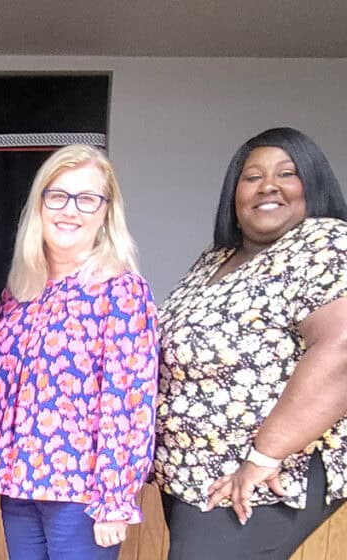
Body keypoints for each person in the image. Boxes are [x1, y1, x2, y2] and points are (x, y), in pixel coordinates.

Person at [155, 127, 347, 559]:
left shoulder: (326, 242)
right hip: (196, 473)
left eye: (287, 173)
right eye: (252, 176)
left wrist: (264, 456)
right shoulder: (217, 258)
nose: (268, 186)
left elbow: (341, 348)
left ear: (312, 185)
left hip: (264, 473)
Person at [0, 144, 158, 559]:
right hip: (19, 484)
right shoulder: (19, 293)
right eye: (57, 195)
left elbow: (130, 401)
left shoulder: (121, 290)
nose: (69, 210)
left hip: (83, 495)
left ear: (106, 212)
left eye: (87, 198)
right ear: (39, 205)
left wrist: (115, 499)